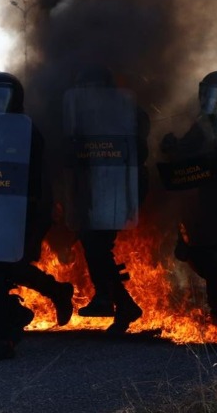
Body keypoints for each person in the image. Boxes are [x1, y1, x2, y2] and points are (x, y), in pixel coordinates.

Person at [0, 71, 73, 362]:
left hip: (28, 210)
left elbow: (27, 178)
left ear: (14, 99)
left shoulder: (26, 131)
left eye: (0, 97)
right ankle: (47, 297)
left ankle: (4, 338)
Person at [159, 70, 217, 323]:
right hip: (202, 198)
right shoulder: (205, 121)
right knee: (200, 252)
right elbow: (187, 151)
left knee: (212, 254)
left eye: (211, 93)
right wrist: (173, 148)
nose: (204, 98)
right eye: (204, 91)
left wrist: (177, 149)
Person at [62, 65, 147, 334]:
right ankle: (111, 300)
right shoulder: (83, 120)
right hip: (94, 190)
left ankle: (120, 303)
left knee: (97, 245)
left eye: (91, 89)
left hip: (118, 189)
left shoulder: (125, 113)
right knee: (94, 244)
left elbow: (138, 153)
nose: (88, 95)